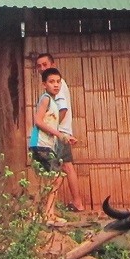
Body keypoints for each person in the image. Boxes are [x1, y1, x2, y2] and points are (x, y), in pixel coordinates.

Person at [35, 53, 86, 212]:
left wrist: (55, 131)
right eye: (39, 66)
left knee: (60, 171)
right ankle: (71, 204)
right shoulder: (52, 88)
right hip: (60, 132)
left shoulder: (58, 85)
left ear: (53, 64)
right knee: (65, 168)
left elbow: (62, 109)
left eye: (45, 64)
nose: (42, 68)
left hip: (58, 133)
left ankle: (52, 208)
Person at [29, 67, 77, 226]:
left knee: (51, 180)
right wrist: (59, 134)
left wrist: (66, 137)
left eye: (58, 82)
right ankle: (45, 214)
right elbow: (38, 121)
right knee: (55, 179)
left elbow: (51, 126)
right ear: (44, 84)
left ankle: (46, 213)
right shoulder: (46, 99)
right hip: (40, 145)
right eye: (51, 82)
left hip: (47, 145)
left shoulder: (54, 102)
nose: (55, 85)